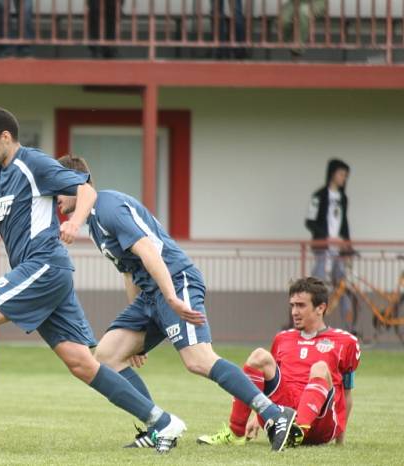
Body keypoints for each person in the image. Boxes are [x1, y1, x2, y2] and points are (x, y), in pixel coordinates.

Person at [0, 107, 190, 454]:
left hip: (44, 265)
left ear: (6, 137)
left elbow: (86, 190)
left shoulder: (33, 163)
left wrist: (74, 222)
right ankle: (162, 421)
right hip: (45, 274)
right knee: (82, 364)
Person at [56, 154, 299, 452]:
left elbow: (148, 251)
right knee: (107, 356)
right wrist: (139, 335)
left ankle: (274, 414)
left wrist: (171, 296)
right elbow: (130, 271)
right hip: (150, 295)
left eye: (57, 187)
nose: (53, 197)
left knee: (198, 359)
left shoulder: (107, 207)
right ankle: (158, 427)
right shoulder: (93, 222)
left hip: (176, 280)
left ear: (77, 184)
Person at [197, 277, 360, 447]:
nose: (294, 312)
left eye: (301, 305)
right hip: (283, 412)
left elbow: (346, 394)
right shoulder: (282, 338)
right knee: (259, 356)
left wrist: (340, 441)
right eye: (293, 305)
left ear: (321, 308)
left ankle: (297, 431)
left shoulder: (346, 342)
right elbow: (270, 383)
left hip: (320, 421)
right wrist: (257, 417)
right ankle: (236, 432)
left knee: (320, 367)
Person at [305, 158, 352, 332]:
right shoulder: (319, 196)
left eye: (346, 175)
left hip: (338, 252)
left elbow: (344, 223)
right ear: (333, 173)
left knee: (343, 289)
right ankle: (311, 326)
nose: (343, 178)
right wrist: (326, 238)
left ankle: (349, 328)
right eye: (341, 174)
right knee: (316, 288)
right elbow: (310, 221)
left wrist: (348, 246)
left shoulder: (343, 198)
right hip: (323, 250)